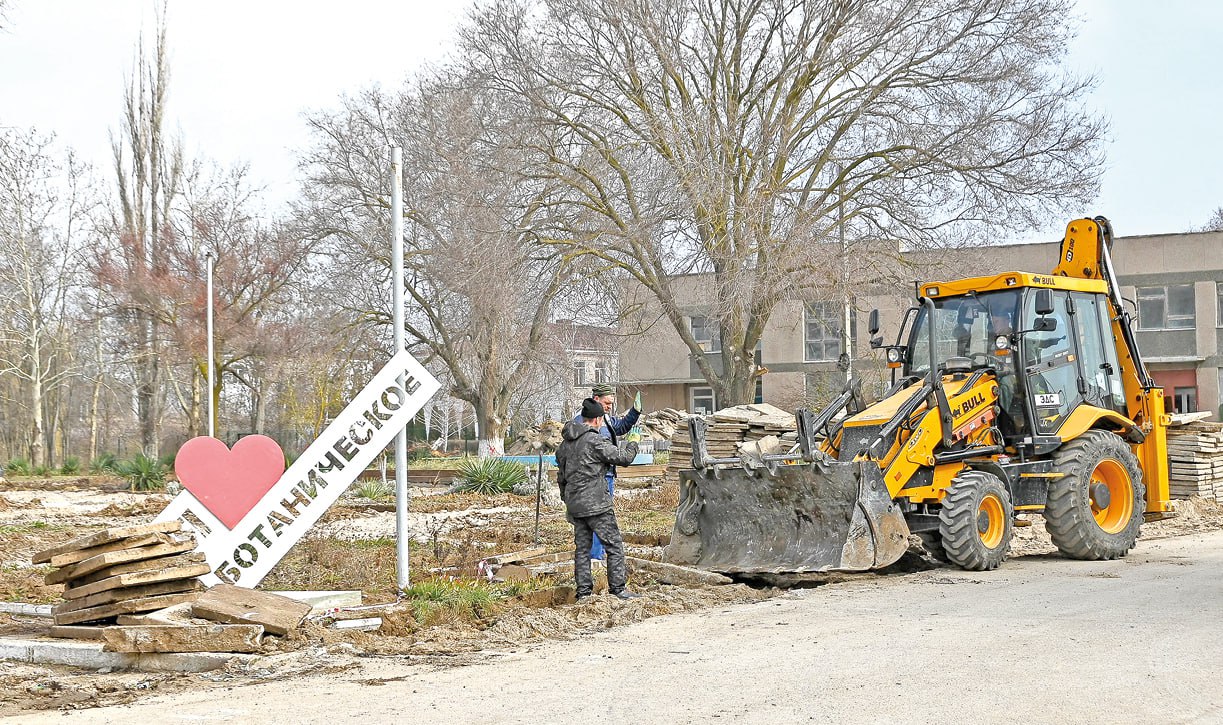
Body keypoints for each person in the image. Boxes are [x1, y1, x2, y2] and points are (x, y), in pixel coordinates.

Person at [556, 398, 640, 600]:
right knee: (614, 546)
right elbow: (624, 458)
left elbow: (561, 478)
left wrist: (568, 500)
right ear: (597, 420)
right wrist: (633, 443)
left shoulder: (564, 445)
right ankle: (618, 589)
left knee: (582, 550)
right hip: (597, 505)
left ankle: (583, 593)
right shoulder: (594, 441)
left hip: (575, 505)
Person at [573, 383, 641, 560]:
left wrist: (634, 412)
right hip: (595, 478)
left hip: (606, 476)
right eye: (607, 403)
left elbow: (620, 427)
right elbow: (614, 456)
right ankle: (594, 557)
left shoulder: (606, 419)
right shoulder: (583, 422)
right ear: (596, 399)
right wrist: (632, 444)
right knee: (597, 518)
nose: (609, 407)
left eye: (611, 403)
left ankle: (595, 554)